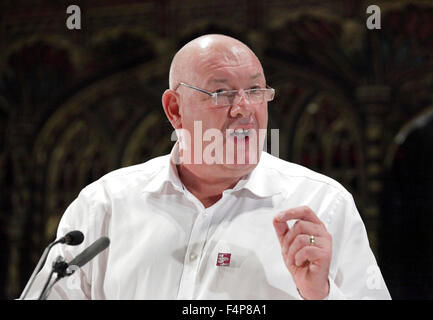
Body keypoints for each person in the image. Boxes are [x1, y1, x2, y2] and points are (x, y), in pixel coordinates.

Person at [20, 34, 391, 300]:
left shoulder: (321, 204)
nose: (244, 108)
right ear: (175, 109)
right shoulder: (105, 204)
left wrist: (320, 294)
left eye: (256, 91)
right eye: (221, 93)